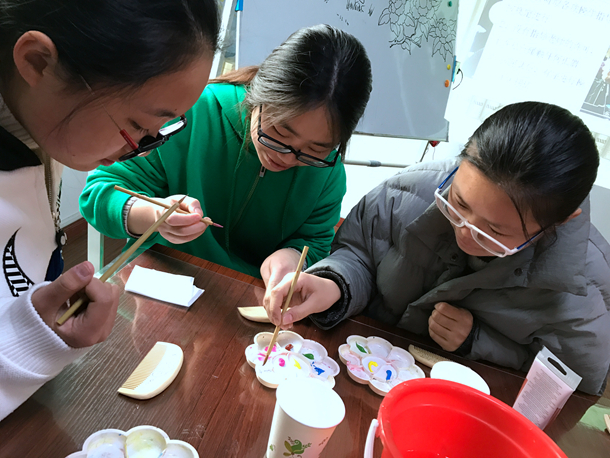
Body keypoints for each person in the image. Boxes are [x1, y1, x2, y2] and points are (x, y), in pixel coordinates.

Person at [265, 102, 610, 396]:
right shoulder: (409, 191)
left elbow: (566, 393)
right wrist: (335, 284)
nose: (465, 231)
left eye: (493, 231)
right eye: (458, 203)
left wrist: (476, 340)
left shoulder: (584, 292)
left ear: (559, 222)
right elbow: (359, 253)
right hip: (356, 376)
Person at [0, 0, 219, 419]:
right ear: (37, 61)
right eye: (137, 126)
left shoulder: (39, 129)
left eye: (157, 132)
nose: (135, 150)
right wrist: (35, 342)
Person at [79, 25, 373, 301]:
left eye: (314, 150)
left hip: (243, 306)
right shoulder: (189, 115)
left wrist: (293, 257)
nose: (286, 157)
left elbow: (316, 242)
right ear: (258, 96)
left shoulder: (328, 173)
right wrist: (153, 215)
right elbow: (98, 195)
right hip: (160, 290)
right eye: (280, 132)